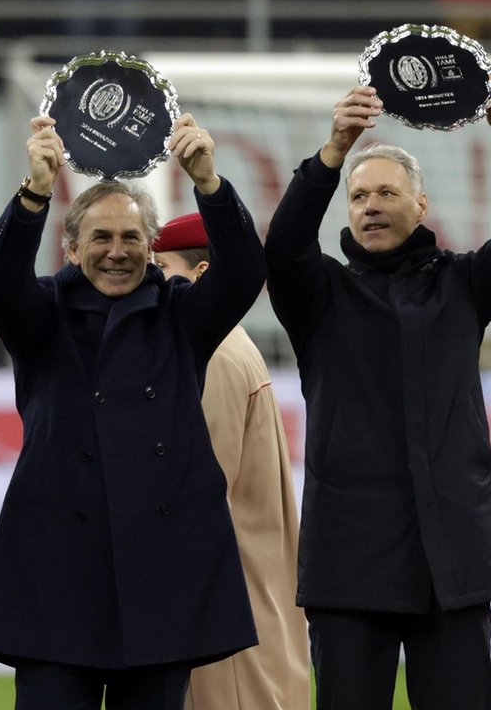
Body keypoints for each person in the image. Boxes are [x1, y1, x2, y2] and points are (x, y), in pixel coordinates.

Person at [263, 68, 491, 710]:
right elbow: (283, 248)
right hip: (349, 563)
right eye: (359, 195)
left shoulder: (463, 286)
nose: (371, 205)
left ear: (420, 205)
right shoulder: (320, 297)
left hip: (449, 557)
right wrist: (332, 152)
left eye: (386, 193)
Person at [0, 114, 264, 710]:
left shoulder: (181, 314)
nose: (117, 252)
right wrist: (34, 193)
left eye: (131, 238)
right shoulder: (41, 315)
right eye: (100, 238)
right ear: (72, 248)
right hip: (59, 577)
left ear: (151, 247)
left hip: (159, 575)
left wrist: (208, 181)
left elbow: (245, 273)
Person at [151, 214, 310, 710]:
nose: (148, 281)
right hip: (244, 605)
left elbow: (198, 491)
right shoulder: (228, 345)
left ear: (200, 273)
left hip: (224, 619)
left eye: (160, 268)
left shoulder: (214, 355)